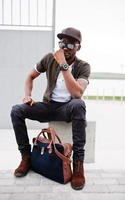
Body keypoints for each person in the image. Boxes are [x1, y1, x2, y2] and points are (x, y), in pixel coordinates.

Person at [11, 27, 91, 190]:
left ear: (78, 47)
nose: (65, 47)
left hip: (68, 108)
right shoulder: (49, 58)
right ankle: (26, 157)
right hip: (48, 106)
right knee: (16, 110)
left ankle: (78, 165)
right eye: (62, 43)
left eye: (70, 45)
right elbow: (30, 76)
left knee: (79, 104)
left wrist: (63, 65)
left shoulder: (83, 66)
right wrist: (27, 95)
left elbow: (77, 93)